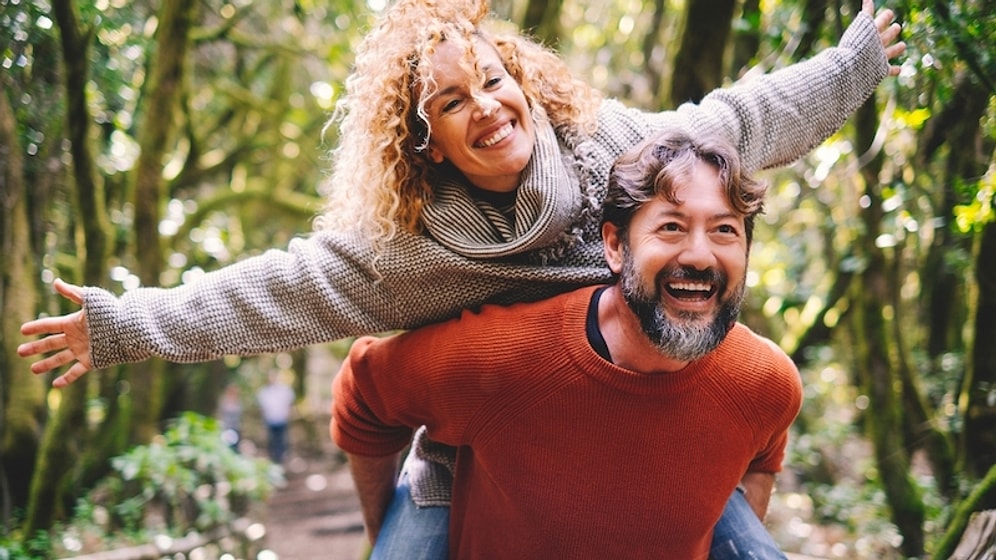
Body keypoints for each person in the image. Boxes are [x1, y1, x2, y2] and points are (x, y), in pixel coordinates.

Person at [17, 0, 905, 556]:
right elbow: (272, 292)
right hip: (477, 445)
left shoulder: (610, 149)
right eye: (450, 101)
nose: (485, 106)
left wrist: (856, 62)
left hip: (648, 414)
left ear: (521, 81)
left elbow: (740, 120)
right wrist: (123, 324)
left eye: (491, 78)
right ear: (424, 142)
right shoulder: (407, 250)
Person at [332, 129, 800, 558]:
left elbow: (763, 453)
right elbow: (364, 394)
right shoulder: (504, 358)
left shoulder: (765, 383)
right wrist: (385, 535)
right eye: (671, 227)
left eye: (724, 231)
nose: (700, 255)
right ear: (615, 247)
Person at [256, 371, 296, 464]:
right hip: (270, 420)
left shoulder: (284, 390)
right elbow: (262, 408)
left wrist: (288, 414)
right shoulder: (264, 392)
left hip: (281, 419)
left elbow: (289, 404)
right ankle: (273, 459)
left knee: (281, 439)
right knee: (272, 440)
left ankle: (281, 459)